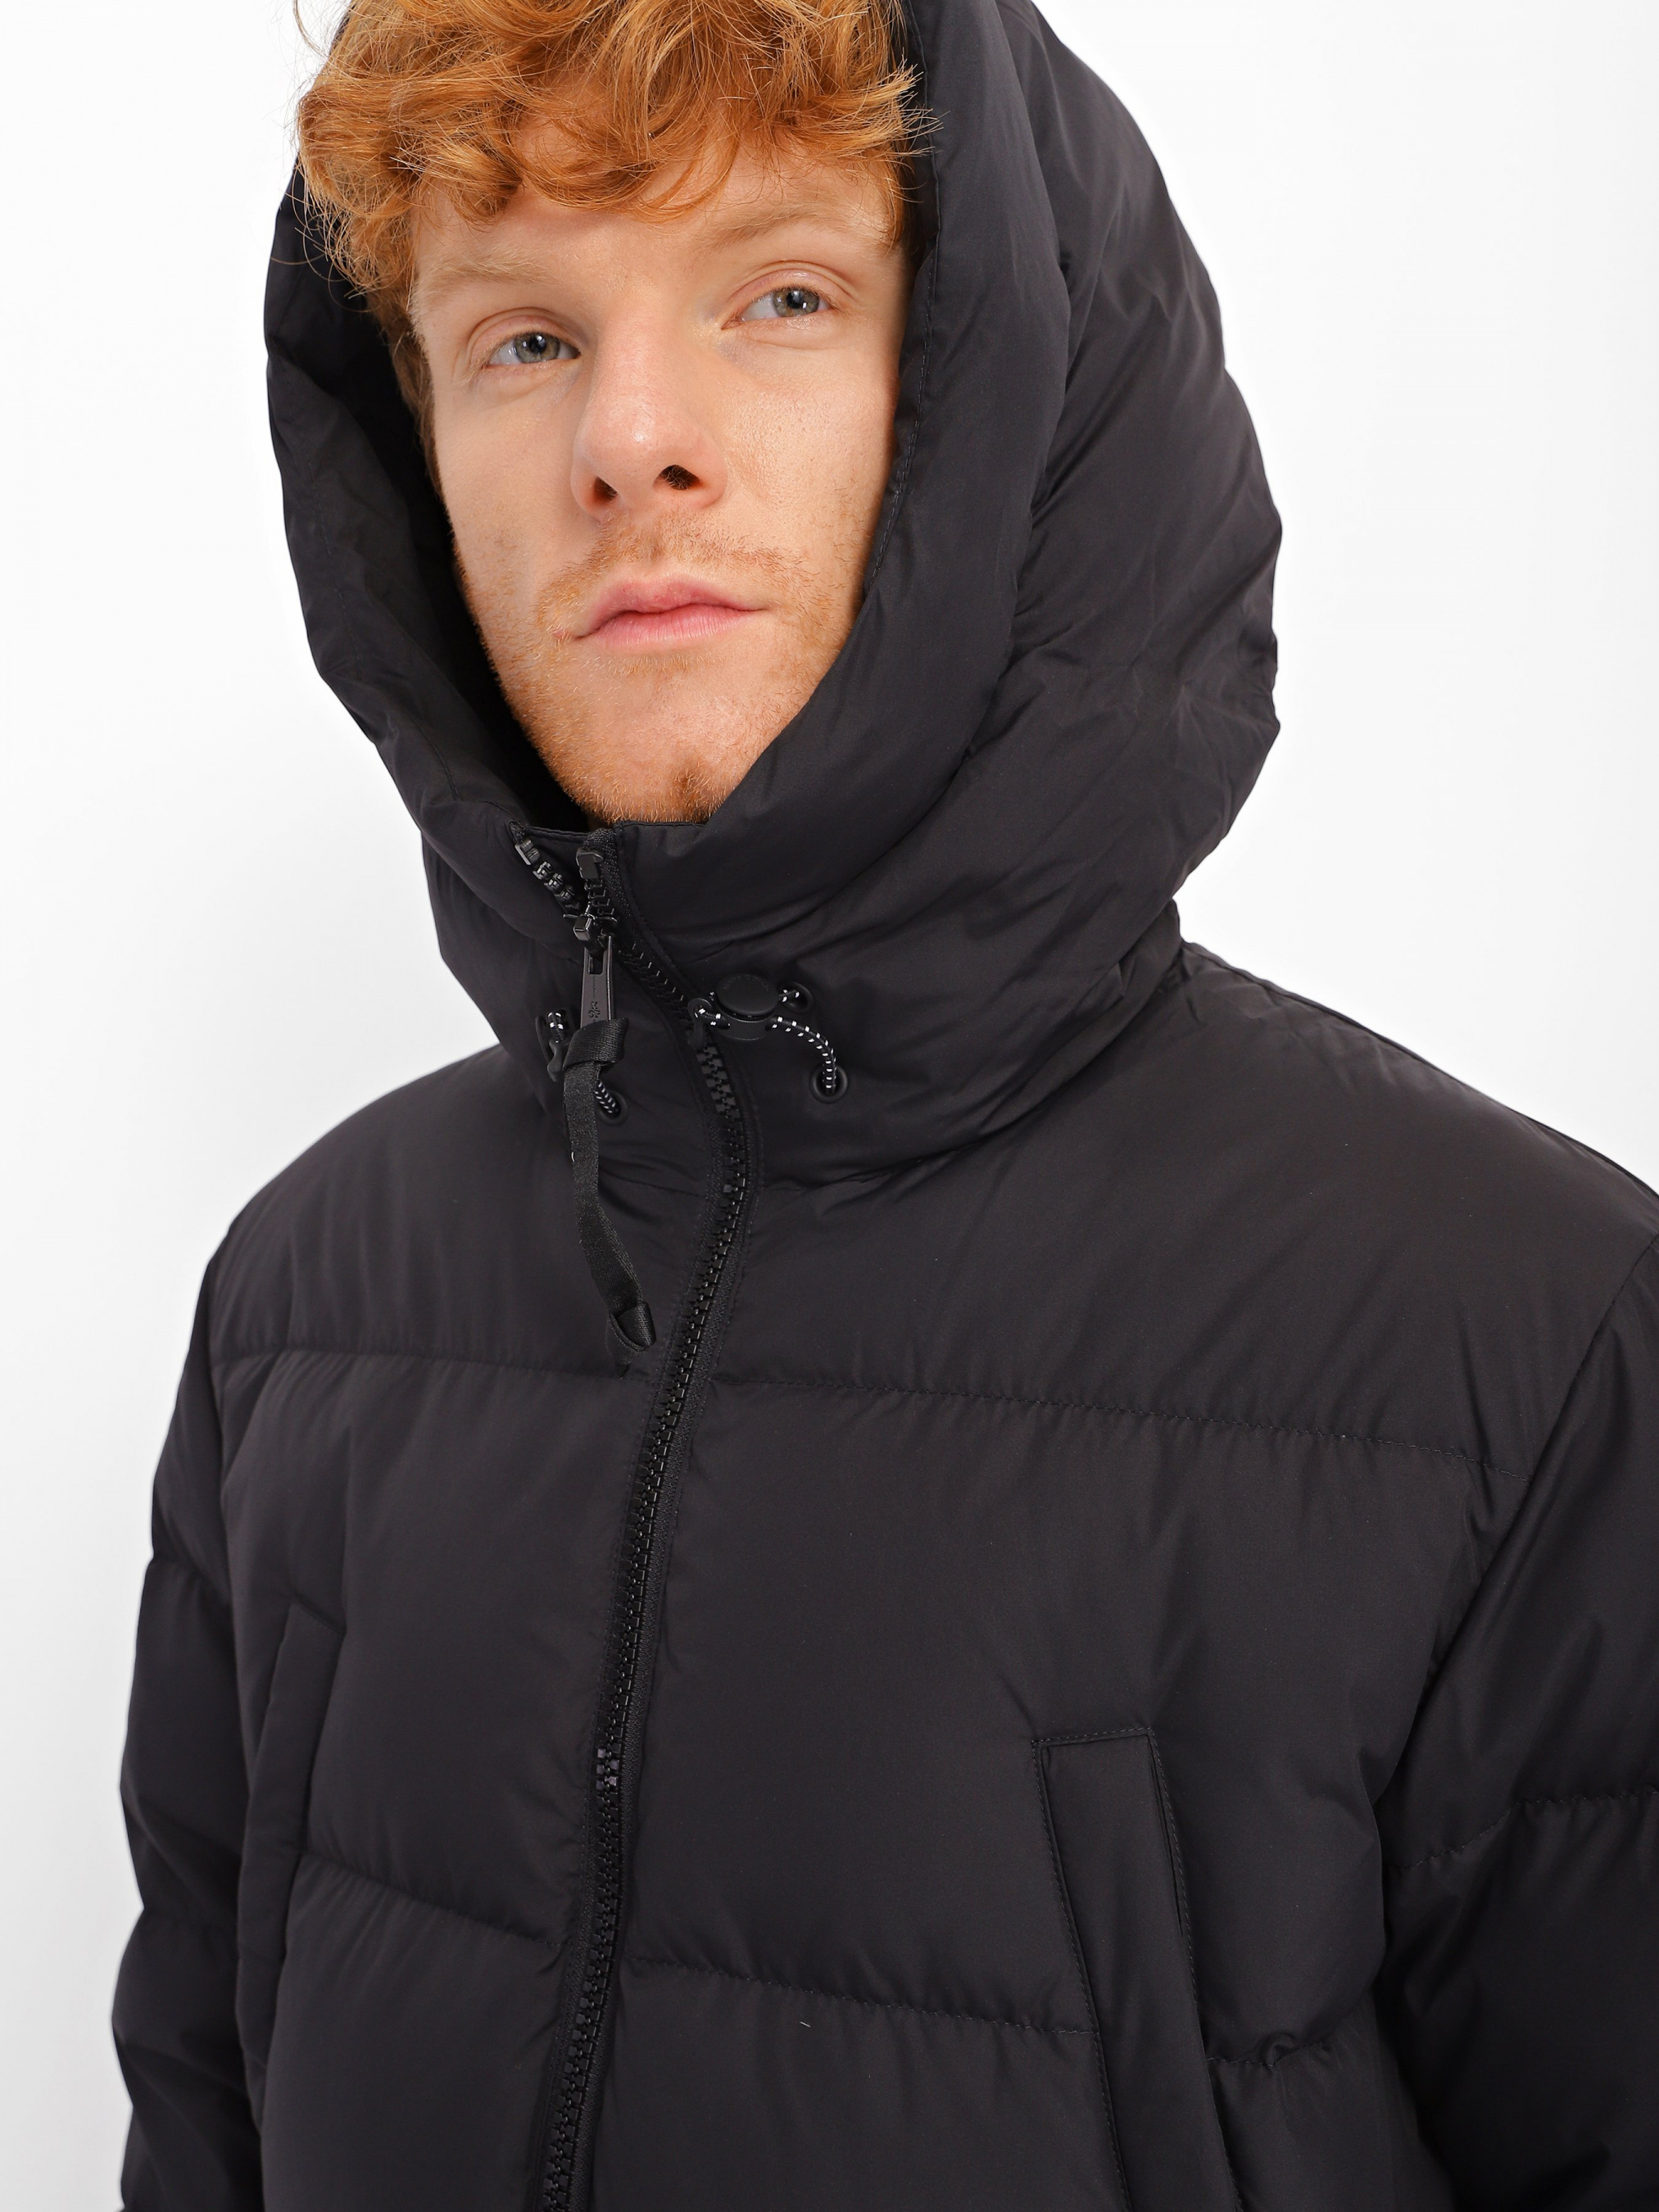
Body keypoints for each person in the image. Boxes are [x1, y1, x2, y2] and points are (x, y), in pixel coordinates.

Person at [112, 0, 1659, 2205]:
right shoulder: (300, 1306)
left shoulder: (1537, 1345)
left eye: (780, 297)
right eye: (523, 339)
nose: (628, 440)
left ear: (1014, 390)